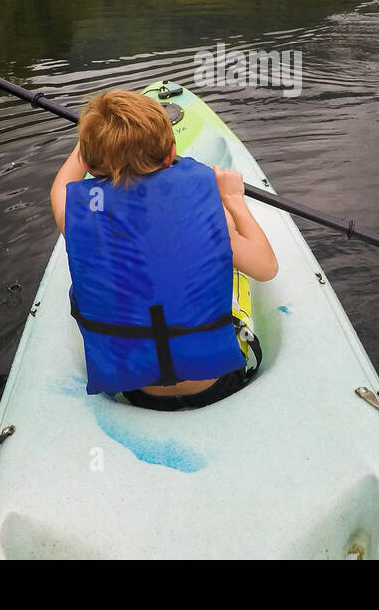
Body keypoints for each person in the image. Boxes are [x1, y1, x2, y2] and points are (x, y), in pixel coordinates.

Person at [49, 89, 278, 410]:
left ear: (88, 162)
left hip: (136, 391)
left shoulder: (74, 214)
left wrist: (91, 142)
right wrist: (233, 200)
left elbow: (60, 186)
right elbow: (266, 268)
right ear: (171, 154)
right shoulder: (210, 212)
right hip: (216, 381)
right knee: (228, 247)